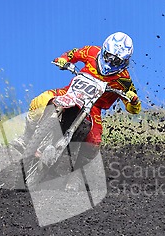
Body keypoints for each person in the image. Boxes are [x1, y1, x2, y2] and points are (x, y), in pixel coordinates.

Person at [24, 32, 141, 190]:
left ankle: (76, 175)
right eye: (108, 56)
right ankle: (27, 136)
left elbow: (133, 107)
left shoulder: (124, 79)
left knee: (94, 140)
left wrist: (133, 100)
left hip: (93, 107)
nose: (110, 62)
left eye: (116, 60)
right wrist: (64, 60)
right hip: (69, 93)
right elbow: (73, 53)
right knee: (41, 100)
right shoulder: (92, 51)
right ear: (104, 50)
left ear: (124, 61)